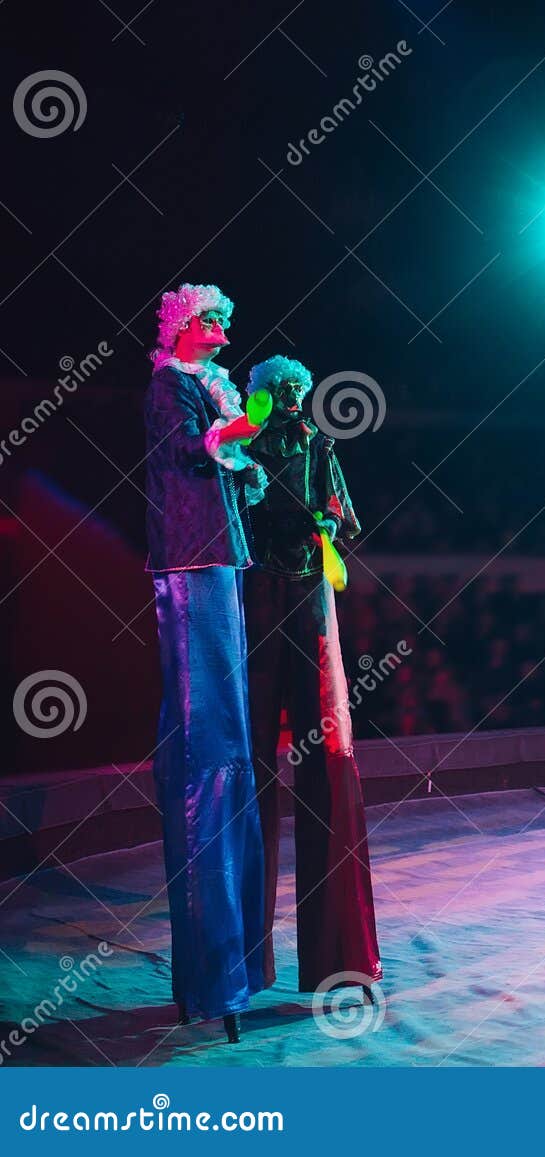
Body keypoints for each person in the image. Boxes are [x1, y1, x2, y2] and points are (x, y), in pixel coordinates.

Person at [143, 283, 269, 1042]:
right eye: (214, 321)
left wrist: (246, 448)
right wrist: (234, 433)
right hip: (189, 567)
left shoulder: (209, 385)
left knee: (231, 737)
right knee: (206, 739)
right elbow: (186, 451)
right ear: (187, 327)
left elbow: (222, 458)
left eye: (227, 320)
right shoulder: (167, 387)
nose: (224, 332)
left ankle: (236, 965)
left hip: (218, 560)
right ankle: (214, 964)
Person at [242, 355, 382, 998]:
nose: (296, 396)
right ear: (264, 395)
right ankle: (243, 963)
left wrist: (325, 524)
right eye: (284, 388)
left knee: (325, 758)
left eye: (303, 387)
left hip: (306, 604)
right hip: (254, 600)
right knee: (249, 764)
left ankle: (332, 955)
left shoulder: (319, 446)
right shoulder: (240, 443)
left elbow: (340, 514)